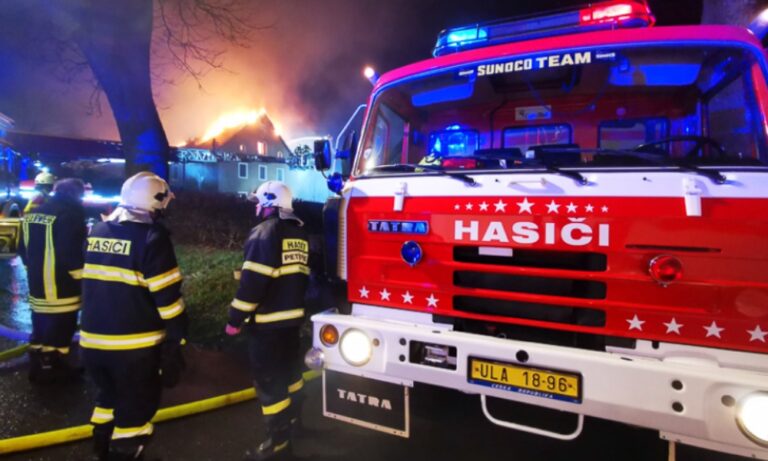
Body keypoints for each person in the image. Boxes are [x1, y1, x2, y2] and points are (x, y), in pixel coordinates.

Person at [80, 172, 188, 461]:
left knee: (107, 399)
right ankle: (124, 452)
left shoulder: (98, 231)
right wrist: (177, 338)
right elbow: (167, 298)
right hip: (134, 348)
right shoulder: (152, 238)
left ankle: (101, 449)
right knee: (135, 409)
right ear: (155, 202)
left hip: (92, 343)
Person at [226, 181, 310, 461]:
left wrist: (235, 318)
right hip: (291, 322)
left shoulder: (264, 232)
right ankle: (295, 426)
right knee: (292, 376)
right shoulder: (298, 232)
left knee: (271, 385)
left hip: (267, 325)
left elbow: (253, 284)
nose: (256, 208)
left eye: (259, 202)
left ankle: (278, 446)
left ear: (269, 203)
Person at [17, 178, 87, 383]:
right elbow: (69, 252)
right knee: (61, 326)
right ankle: (52, 366)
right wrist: (84, 278)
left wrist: (32, 269)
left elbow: (21, 246)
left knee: (40, 324)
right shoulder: (70, 215)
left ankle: (37, 364)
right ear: (76, 195)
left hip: (37, 283)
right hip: (61, 286)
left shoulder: (34, 212)